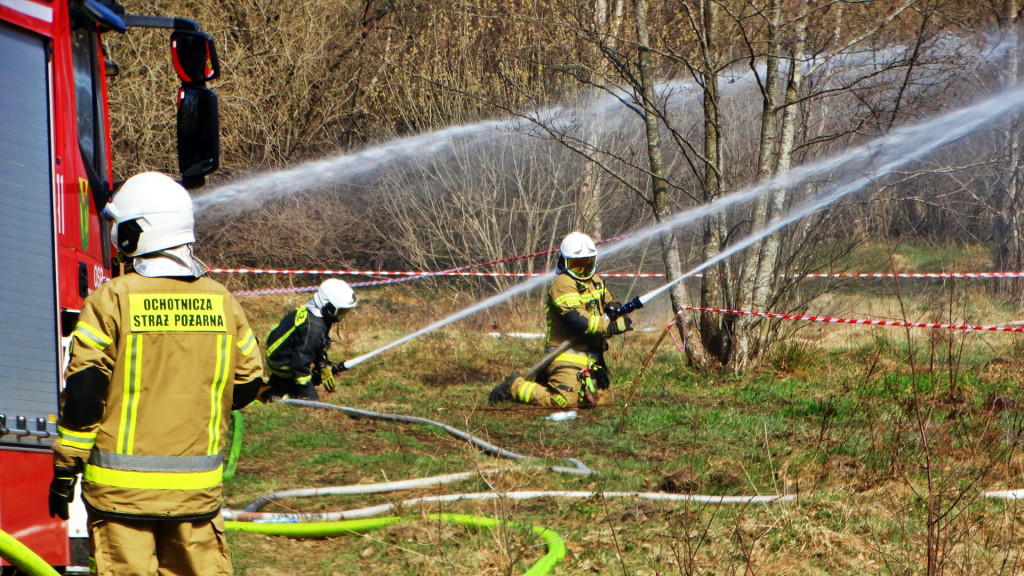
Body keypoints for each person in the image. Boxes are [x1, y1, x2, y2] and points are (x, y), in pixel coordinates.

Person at [48, 172, 265, 575]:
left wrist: (65, 468)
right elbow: (249, 384)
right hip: (196, 499)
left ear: (135, 233)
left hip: (121, 497)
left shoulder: (112, 299)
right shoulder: (222, 301)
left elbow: (84, 394)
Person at [489, 232, 633, 408]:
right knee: (564, 401)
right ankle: (515, 387)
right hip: (566, 355)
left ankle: (547, 384)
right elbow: (578, 321)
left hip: (592, 358)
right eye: (577, 265)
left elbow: (608, 302)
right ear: (564, 262)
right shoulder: (563, 284)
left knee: (601, 402)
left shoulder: (595, 281)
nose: (583, 270)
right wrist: (609, 327)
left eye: (588, 264)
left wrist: (616, 309)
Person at [259, 278, 356, 402]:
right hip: (282, 364)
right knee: (311, 403)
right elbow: (300, 363)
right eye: (341, 311)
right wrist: (306, 390)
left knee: (287, 384)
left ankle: (276, 388)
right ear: (328, 306)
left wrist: (323, 365)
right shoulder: (314, 328)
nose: (342, 316)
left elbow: (315, 344)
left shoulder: (314, 309)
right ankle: (277, 395)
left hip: (279, 352)